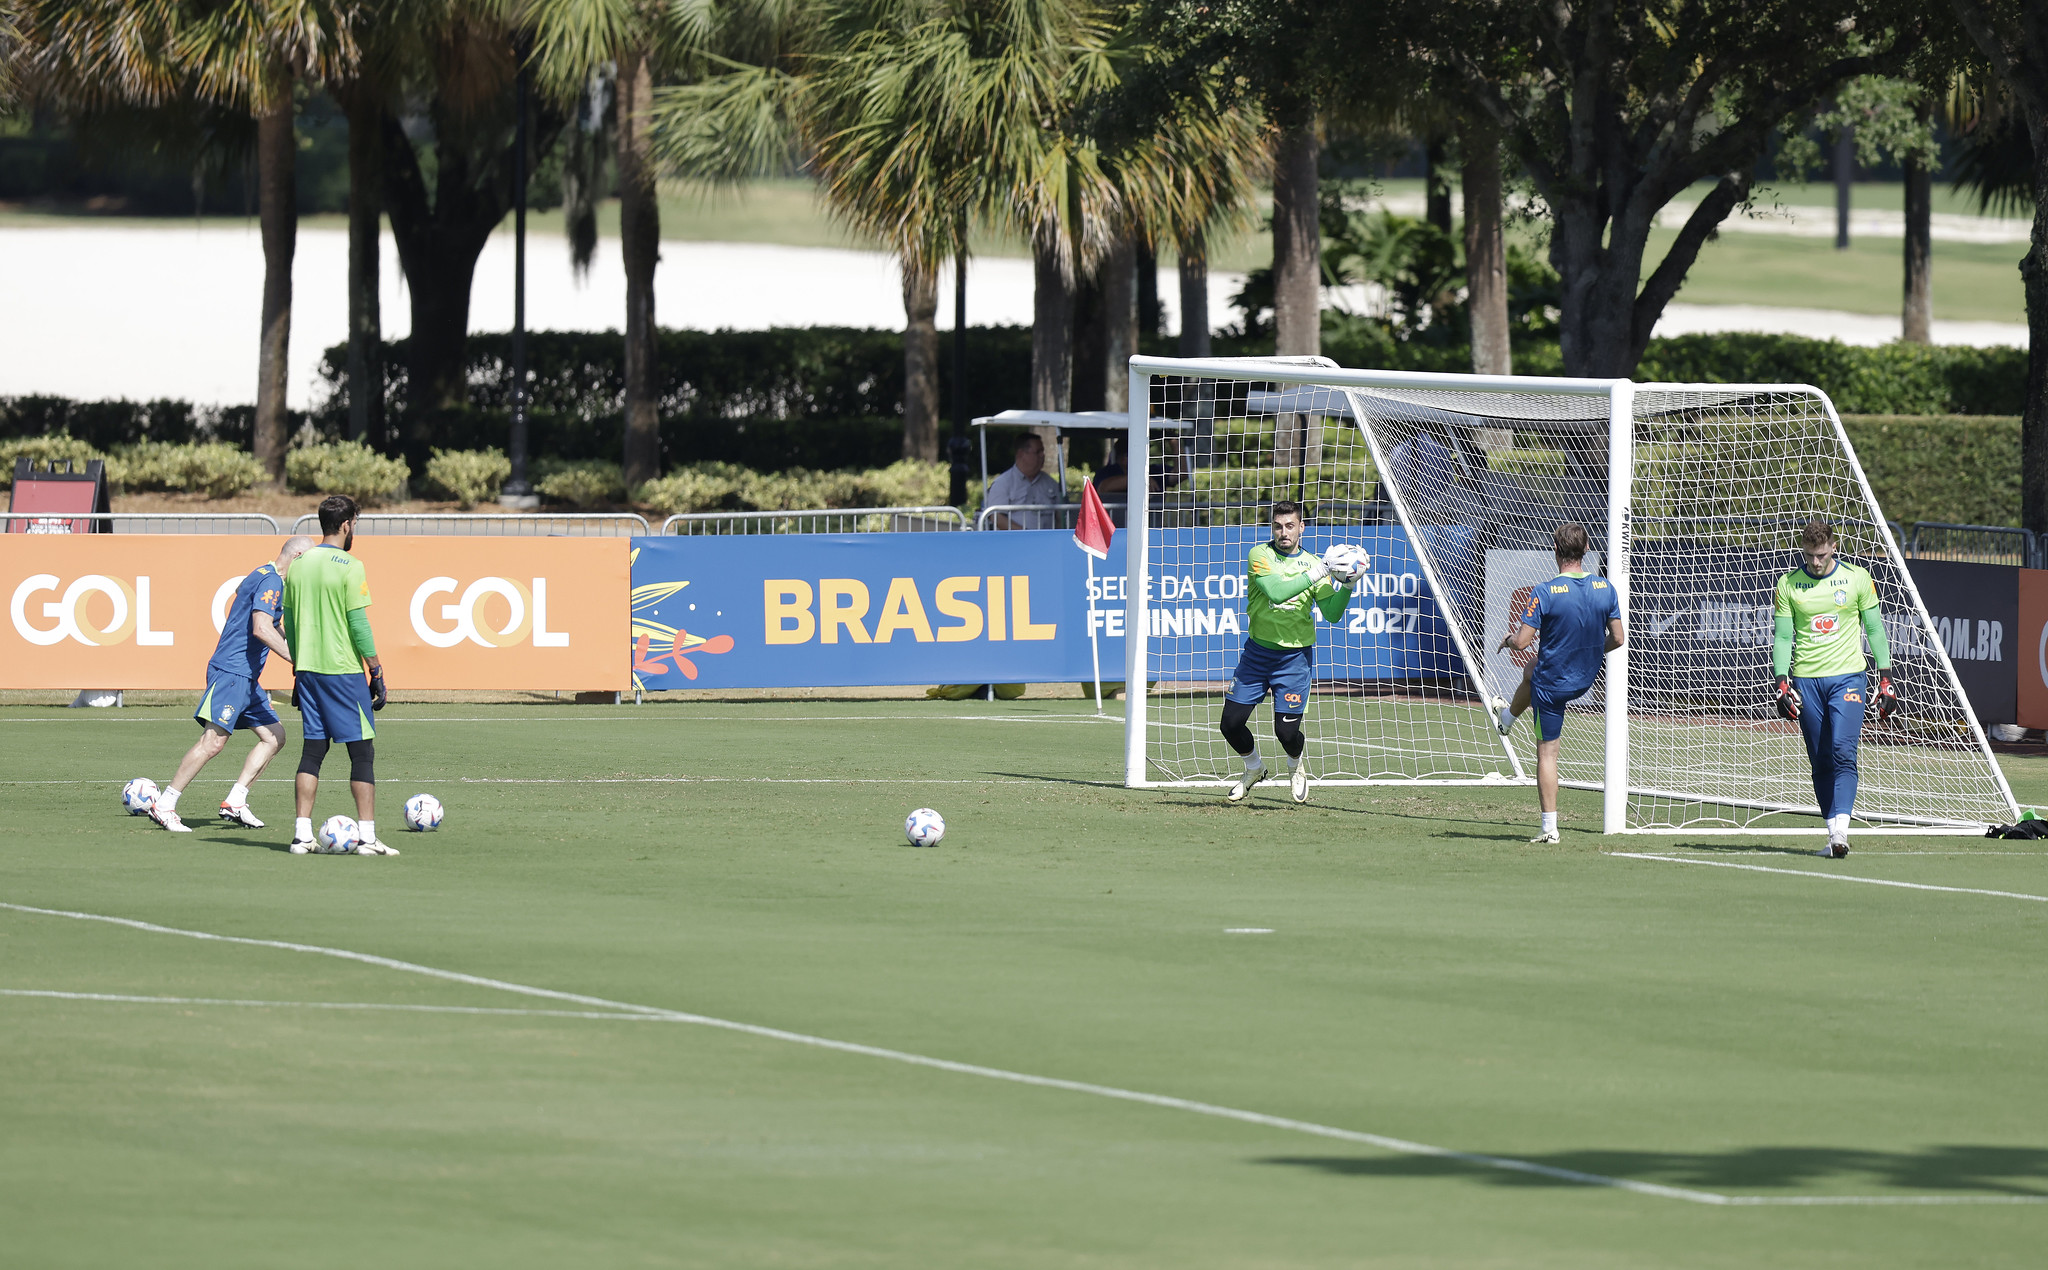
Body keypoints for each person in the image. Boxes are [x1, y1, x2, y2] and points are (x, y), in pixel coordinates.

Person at [146, 535, 315, 833]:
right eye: (310, 561)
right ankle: (165, 804)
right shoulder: (273, 581)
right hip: (232, 671)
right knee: (213, 742)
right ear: (298, 556)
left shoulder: (262, 573)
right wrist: (297, 660)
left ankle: (236, 801)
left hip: (246, 677)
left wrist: (290, 638)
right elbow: (261, 628)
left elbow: (253, 604)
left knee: (274, 736)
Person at [1771, 518, 1895, 859]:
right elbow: (1783, 637)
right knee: (1821, 759)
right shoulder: (1788, 584)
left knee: (1843, 750)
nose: (1815, 562)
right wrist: (1781, 681)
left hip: (1848, 678)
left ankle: (1842, 829)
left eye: (1822, 554)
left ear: (1833, 548)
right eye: (1810, 555)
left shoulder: (1856, 578)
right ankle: (1833, 835)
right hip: (1806, 680)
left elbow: (1874, 628)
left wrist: (1886, 676)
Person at [1495, 522, 1625, 844]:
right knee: (1531, 670)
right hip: (1585, 677)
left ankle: (1549, 828)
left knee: (1547, 754)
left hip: (1553, 685)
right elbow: (1618, 638)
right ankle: (1508, 718)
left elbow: (1524, 641)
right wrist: (1593, 651)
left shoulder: (1544, 592)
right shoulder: (1606, 588)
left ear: (1556, 552)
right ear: (1586, 551)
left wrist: (1508, 639)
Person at [1219, 501, 1355, 804]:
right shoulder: (1260, 555)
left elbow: (1332, 614)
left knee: (1286, 733)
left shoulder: (1315, 563)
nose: (1284, 532)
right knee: (1230, 723)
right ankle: (1254, 768)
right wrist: (1321, 570)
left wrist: (1347, 586)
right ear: (1272, 527)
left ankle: (1296, 768)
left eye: (1290, 526)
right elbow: (1276, 592)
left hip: (1294, 660)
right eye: (1278, 526)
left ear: (1301, 527)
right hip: (1257, 655)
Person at [282, 495, 395, 856]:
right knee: (362, 753)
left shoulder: (298, 565)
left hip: (309, 671)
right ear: (346, 524)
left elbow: (289, 623)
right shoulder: (350, 564)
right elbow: (358, 624)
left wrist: (298, 669)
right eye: (355, 524)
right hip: (343, 670)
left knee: (313, 750)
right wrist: (375, 668)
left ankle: (301, 835)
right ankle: (367, 838)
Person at [983, 434, 1061, 530]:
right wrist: (1025, 535)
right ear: (1021, 454)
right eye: (1038, 452)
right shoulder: (1002, 484)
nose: (1042, 455)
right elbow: (996, 517)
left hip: (1049, 542)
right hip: (1016, 542)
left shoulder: (1051, 483)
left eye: (1042, 451)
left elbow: (1061, 516)